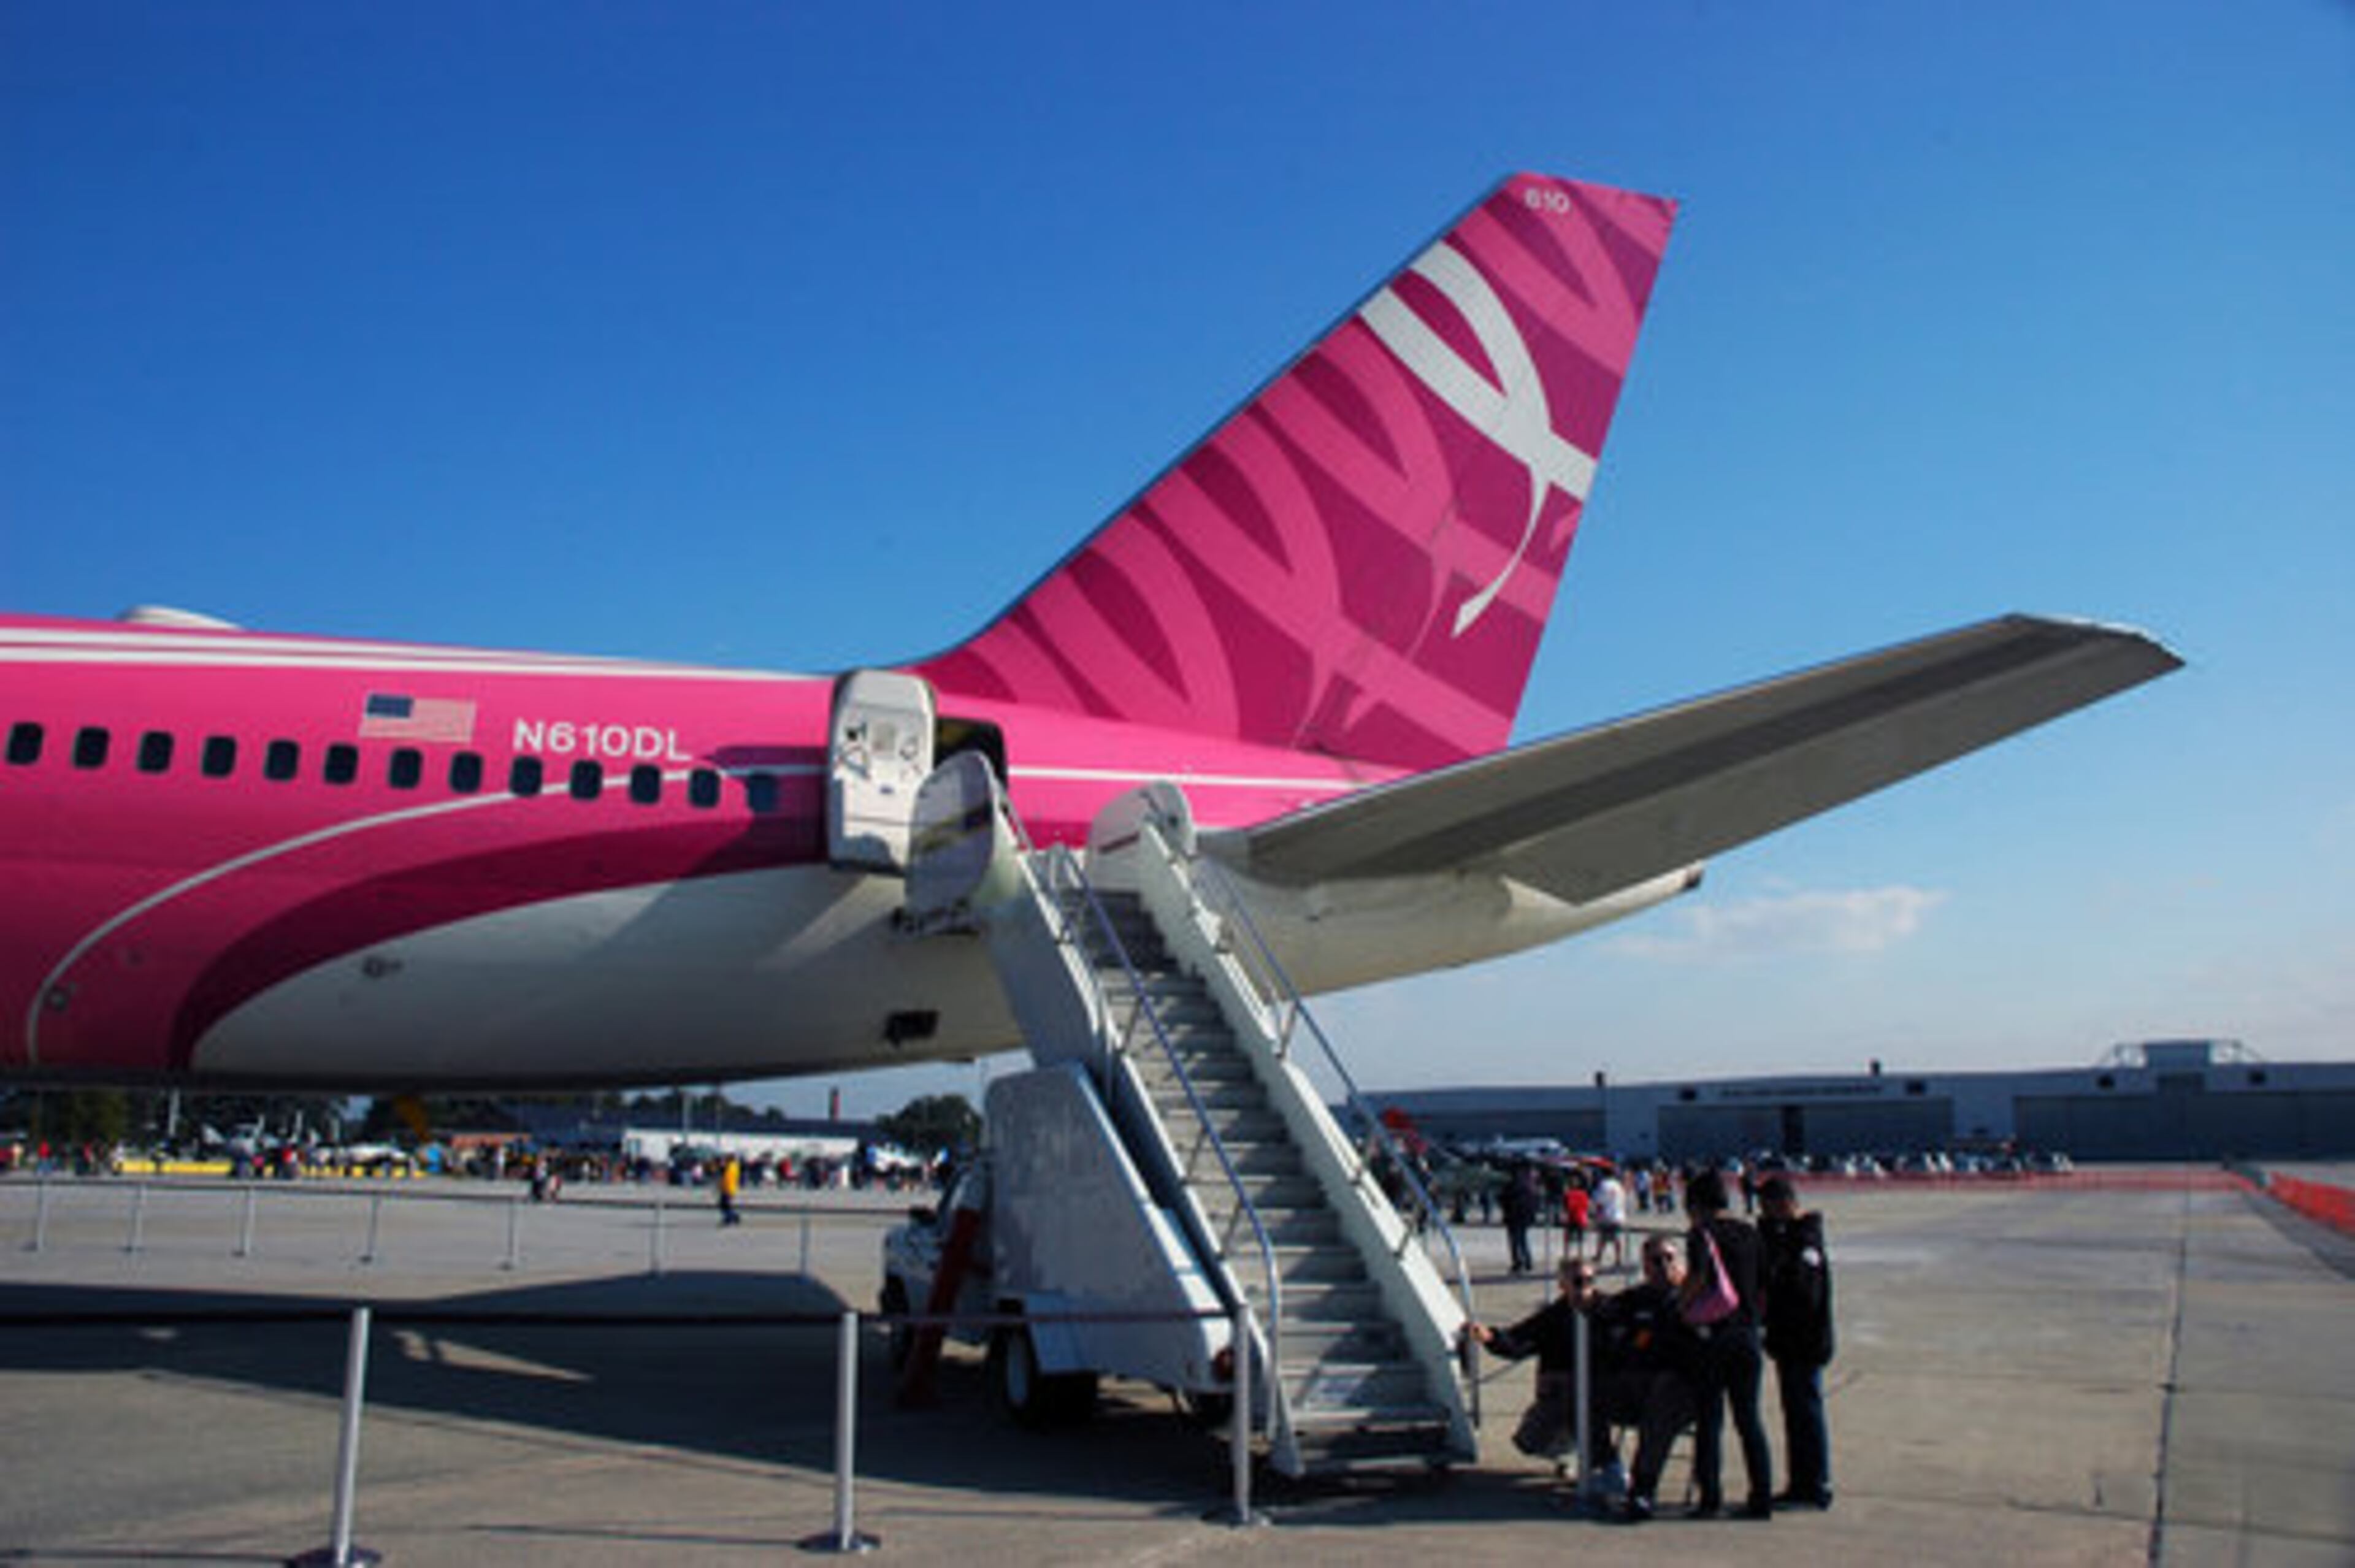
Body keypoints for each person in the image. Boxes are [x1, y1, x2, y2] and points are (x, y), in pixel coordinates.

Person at [1679, 1166, 1774, 1519]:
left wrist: (1682, 1306)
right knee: (1749, 1419)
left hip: (1712, 1336)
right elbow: (1764, 1286)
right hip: (1747, 1334)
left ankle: (1711, 1497)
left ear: (1697, 1205)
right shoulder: (1750, 1233)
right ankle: (1761, 1496)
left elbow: (1699, 1277)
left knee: (1710, 1419)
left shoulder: (1701, 1235)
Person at [1592, 1234, 1699, 1523]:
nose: (1664, 1265)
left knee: (1663, 1400)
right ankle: (1608, 1466)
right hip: (1635, 1387)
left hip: (1680, 1394)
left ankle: (1643, 1489)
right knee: (1582, 1392)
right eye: (1656, 1260)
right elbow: (1602, 1312)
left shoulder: (1695, 1300)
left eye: (1670, 1258)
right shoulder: (1634, 1299)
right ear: (1645, 1267)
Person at [1468, 1258, 1604, 1474]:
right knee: (1529, 1441)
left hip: (1606, 1388)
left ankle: (1601, 1463)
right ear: (1563, 1285)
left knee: (1586, 1408)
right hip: (1561, 1393)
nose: (1585, 1288)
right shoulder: (1553, 1318)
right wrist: (1490, 1337)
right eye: (1578, 1281)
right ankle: (1570, 1452)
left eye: (1591, 1280)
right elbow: (1519, 1341)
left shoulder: (1611, 1309)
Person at [1759, 1174, 1835, 1509]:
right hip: (1788, 1343)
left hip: (1804, 1343)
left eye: (1773, 1207)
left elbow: (1803, 1293)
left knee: (1807, 1413)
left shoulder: (1805, 1242)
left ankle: (1816, 1483)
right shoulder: (1786, 1239)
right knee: (1796, 1415)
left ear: (1787, 1204)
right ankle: (1801, 1481)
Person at [1499, 1164, 1539, 1275]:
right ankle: (1527, 1261)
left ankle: (1518, 1262)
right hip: (1524, 1217)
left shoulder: (1512, 1187)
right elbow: (1534, 1203)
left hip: (1514, 1216)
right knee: (1523, 1239)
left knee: (1515, 1241)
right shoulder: (1530, 1187)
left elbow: (1504, 1200)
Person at [1591, 1168, 1628, 1271]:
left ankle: (1599, 1256)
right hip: (1618, 1214)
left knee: (1603, 1237)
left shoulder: (1603, 1185)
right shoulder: (1618, 1185)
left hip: (1606, 1215)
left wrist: (1596, 1214)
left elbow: (1598, 1200)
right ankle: (1618, 1258)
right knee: (1616, 1238)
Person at [717, 1153, 743, 1227]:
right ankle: (732, 1217)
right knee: (725, 1205)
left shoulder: (731, 1167)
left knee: (724, 1205)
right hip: (730, 1188)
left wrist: (722, 1187)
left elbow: (727, 1179)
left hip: (728, 1189)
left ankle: (731, 1218)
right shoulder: (734, 1166)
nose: (725, 1160)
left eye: (726, 1158)